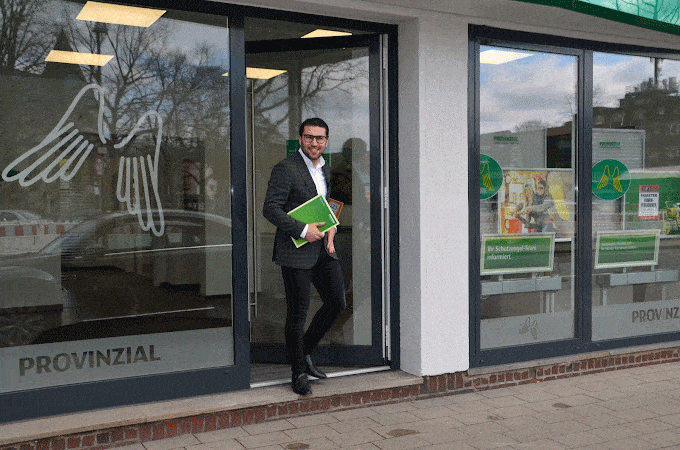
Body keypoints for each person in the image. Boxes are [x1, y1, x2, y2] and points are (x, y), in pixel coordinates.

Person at [262, 117, 346, 396]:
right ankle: (298, 372)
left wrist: (332, 227)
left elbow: (327, 205)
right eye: (309, 137)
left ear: (326, 141)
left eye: (320, 138)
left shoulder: (326, 170)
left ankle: (305, 351)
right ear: (300, 139)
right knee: (297, 313)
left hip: (323, 249)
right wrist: (301, 229)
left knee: (336, 302)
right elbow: (271, 209)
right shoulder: (285, 169)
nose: (314, 143)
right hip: (295, 251)